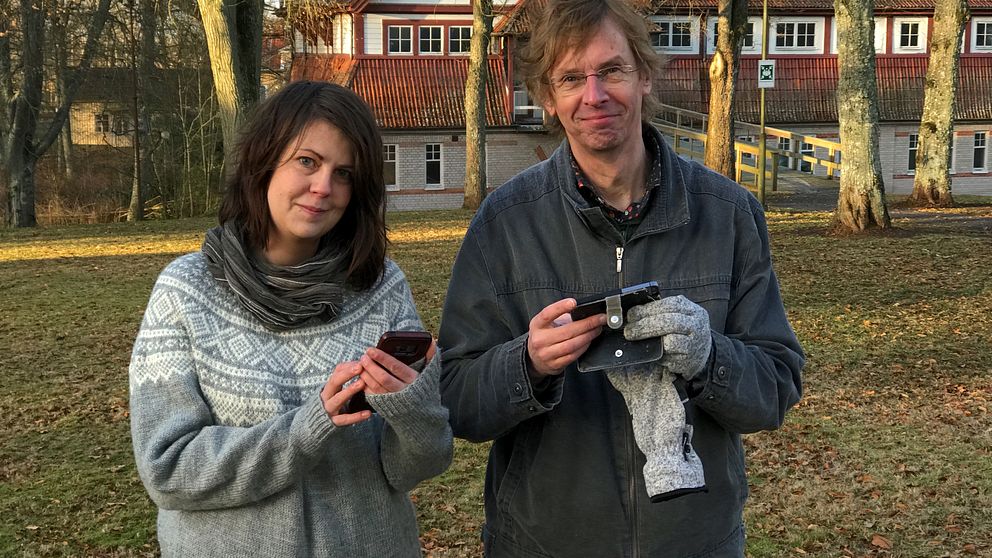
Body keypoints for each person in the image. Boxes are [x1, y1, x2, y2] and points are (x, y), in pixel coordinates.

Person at [437, 0, 805, 555]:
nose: (594, 95)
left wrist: (710, 358)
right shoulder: (505, 223)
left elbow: (776, 386)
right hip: (543, 542)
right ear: (548, 98)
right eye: (570, 79)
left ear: (645, 76)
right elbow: (454, 398)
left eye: (611, 70)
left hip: (693, 542)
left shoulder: (728, 214)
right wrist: (527, 364)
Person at [129, 81, 452, 557]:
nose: (324, 188)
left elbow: (418, 464)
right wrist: (304, 431)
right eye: (307, 161)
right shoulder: (186, 291)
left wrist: (412, 406)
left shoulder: (381, 288)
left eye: (344, 173)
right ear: (263, 161)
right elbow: (169, 468)